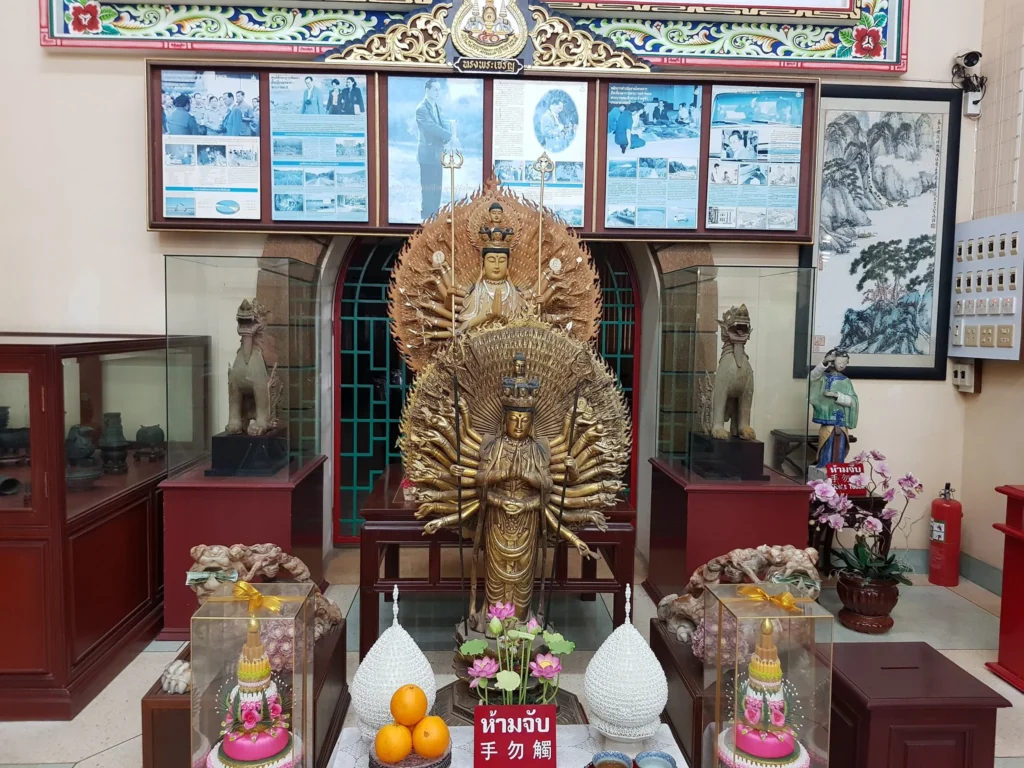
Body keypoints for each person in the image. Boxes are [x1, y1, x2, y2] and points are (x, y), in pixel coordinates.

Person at [809, 348, 859, 468]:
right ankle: (824, 466)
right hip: (826, 420)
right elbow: (811, 377)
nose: (841, 365)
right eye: (838, 362)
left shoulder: (846, 381)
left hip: (840, 422)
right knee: (826, 445)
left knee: (840, 448)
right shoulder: (823, 378)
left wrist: (836, 395)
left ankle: (837, 469)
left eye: (844, 362)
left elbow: (853, 401)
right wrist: (824, 362)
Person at [415, 78, 453, 220]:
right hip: (427, 154)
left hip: (438, 154)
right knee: (428, 187)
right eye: (435, 89)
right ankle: (426, 217)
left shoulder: (437, 106)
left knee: (437, 186)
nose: (438, 92)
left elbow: (442, 124)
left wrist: (450, 134)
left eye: (439, 89)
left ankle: (435, 215)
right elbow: (431, 127)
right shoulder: (421, 109)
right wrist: (450, 136)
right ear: (427, 90)